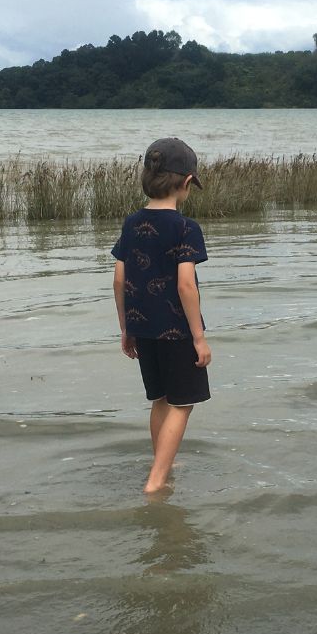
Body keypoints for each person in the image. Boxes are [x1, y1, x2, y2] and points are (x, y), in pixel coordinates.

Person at [112, 137, 211, 494]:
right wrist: (199, 337)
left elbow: (119, 279)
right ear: (186, 183)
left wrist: (126, 328)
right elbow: (186, 286)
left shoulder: (131, 223)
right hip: (177, 332)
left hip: (142, 327)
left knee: (160, 400)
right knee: (183, 404)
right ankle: (155, 482)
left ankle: (162, 465)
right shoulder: (186, 228)